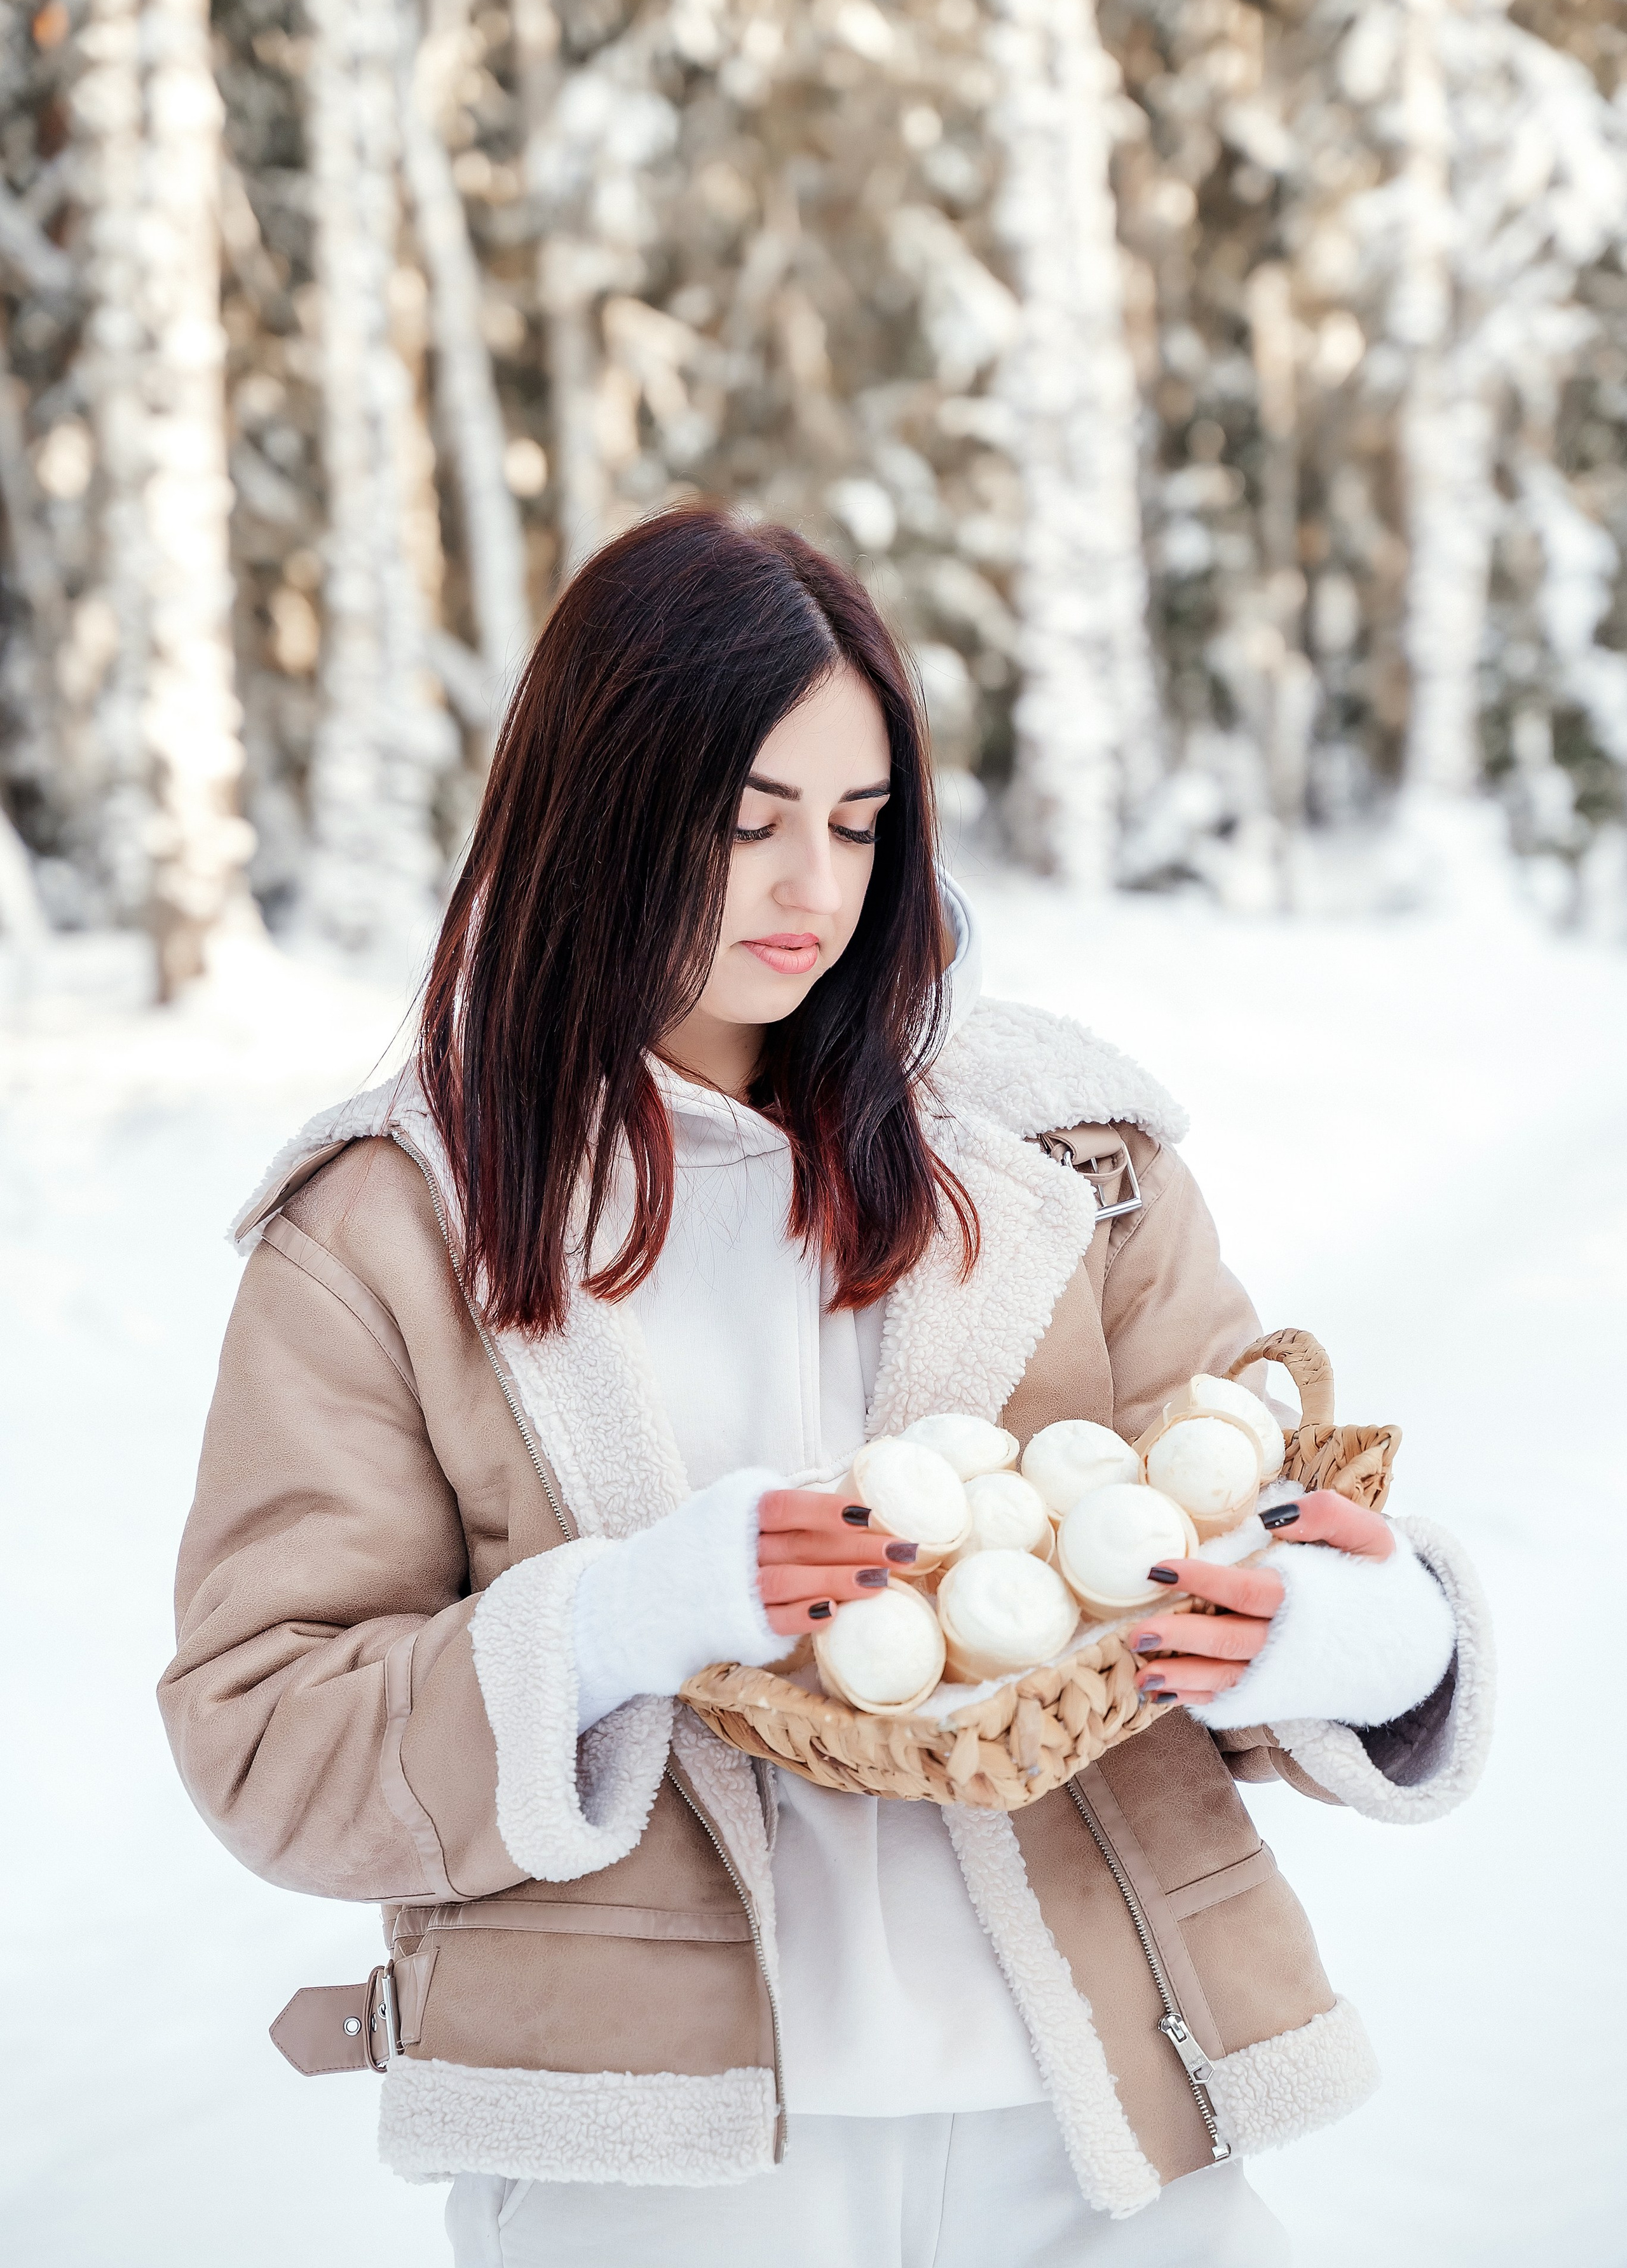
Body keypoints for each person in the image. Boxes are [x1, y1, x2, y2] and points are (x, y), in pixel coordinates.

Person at [161, 505, 1491, 2267]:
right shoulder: (394, 1221)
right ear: (597, 811)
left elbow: (1223, 1522)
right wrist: (627, 1620)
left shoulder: (1063, 1159)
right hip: (650, 2175)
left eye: (860, 826)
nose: (816, 891)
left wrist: (1362, 1637)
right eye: (748, 823)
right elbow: (264, 1728)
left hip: (1096, 2131)